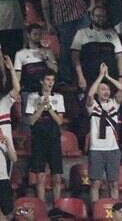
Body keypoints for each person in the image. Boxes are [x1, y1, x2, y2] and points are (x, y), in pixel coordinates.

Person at [85, 64, 122, 203]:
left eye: (107, 89)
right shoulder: (93, 106)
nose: (106, 91)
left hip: (113, 149)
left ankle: (116, 211)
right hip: (97, 149)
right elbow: (90, 94)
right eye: (102, 89)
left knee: (114, 183)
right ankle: (96, 211)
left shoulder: (114, 104)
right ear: (97, 91)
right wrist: (100, 77)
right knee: (95, 183)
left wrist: (108, 77)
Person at [25, 72, 64, 201]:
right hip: (39, 140)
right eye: (48, 79)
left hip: (54, 139)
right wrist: (42, 106)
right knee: (40, 177)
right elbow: (31, 120)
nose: (50, 83)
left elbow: (59, 121)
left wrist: (50, 107)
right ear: (42, 81)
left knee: (57, 177)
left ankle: (57, 207)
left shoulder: (59, 97)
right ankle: (41, 207)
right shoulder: (32, 97)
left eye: (52, 80)